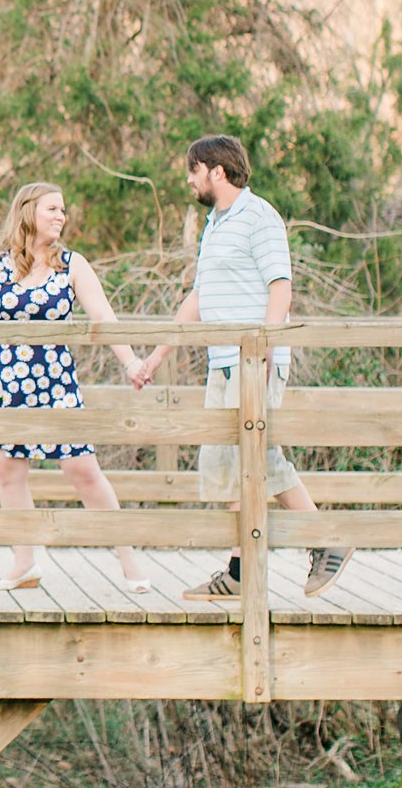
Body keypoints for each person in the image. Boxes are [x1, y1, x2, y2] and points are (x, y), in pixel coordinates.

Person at [130, 135, 354, 599]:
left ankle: (327, 541)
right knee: (231, 464)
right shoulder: (213, 224)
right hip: (223, 361)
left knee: (256, 456)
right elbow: (198, 297)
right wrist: (155, 356)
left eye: (194, 170)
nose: (189, 180)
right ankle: (239, 570)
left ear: (217, 171)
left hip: (256, 361)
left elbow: (281, 288)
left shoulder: (260, 217)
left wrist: (268, 347)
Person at [0, 182, 153, 593]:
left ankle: (128, 560)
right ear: (28, 212)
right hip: (0, 381)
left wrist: (130, 361)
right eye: (52, 209)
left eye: (63, 210)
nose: (61, 216)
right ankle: (24, 562)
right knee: (9, 472)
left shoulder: (73, 265)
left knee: (83, 470)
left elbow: (103, 318)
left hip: (53, 381)